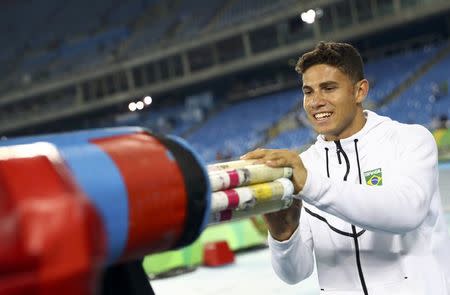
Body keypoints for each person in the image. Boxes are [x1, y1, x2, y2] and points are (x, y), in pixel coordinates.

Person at [241, 41, 450, 294]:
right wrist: (283, 235)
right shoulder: (306, 165)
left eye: (328, 88)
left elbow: (407, 212)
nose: (315, 102)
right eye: (308, 92)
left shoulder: (410, 140)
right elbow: (296, 274)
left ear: (359, 91)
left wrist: (311, 184)